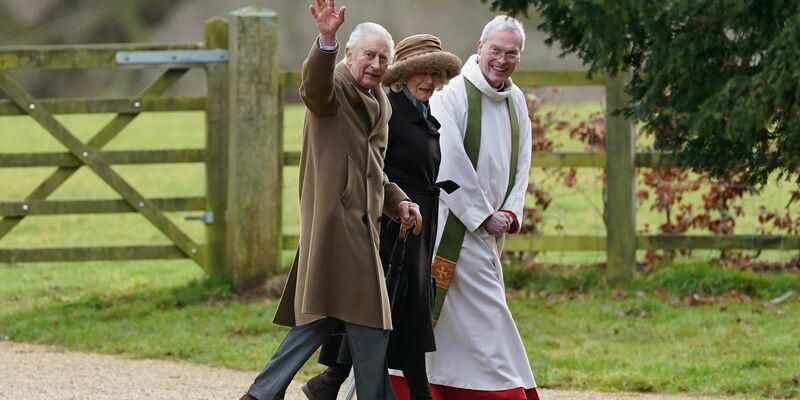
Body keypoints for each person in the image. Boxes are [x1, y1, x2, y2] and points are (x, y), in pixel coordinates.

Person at [238, 1, 419, 399]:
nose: (375, 63)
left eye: (383, 58)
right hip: (336, 225)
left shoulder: (379, 103)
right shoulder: (334, 88)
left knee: (324, 316)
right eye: (368, 55)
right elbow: (313, 88)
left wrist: (398, 202)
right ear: (350, 55)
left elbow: (374, 170)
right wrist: (325, 41)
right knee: (371, 319)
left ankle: (261, 394)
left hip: (362, 227)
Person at [301, 35, 462, 400]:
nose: (429, 80)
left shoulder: (424, 114)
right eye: (421, 72)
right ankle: (402, 390)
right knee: (390, 306)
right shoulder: (390, 110)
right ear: (403, 75)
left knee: (400, 308)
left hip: (417, 220)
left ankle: (329, 381)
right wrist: (390, 208)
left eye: (435, 73)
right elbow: (374, 169)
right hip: (391, 227)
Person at [417, 15, 540, 399]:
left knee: (456, 326)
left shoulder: (515, 98)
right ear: (479, 47)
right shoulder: (451, 94)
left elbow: (522, 161)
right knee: (486, 320)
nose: (502, 60)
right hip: (452, 229)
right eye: (496, 51)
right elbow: (446, 158)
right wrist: (482, 214)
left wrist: (510, 212)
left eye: (511, 54)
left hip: (489, 235)